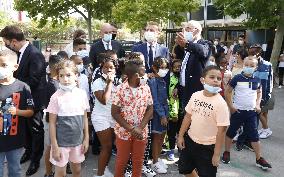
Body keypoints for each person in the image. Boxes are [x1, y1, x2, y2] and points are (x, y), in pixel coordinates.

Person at [0, 25, 46, 176]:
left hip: (33, 99)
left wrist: (12, 82)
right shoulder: (18, 52)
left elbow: (34, 79)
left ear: (13, 41)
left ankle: (35, 160)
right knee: (24, 130)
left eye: (6, 42)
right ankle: (28, 152)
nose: (6, 45)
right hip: (17, 98)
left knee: (36, 131)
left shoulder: (35, 53)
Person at [177, 65, 230, 177]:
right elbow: (187, 117)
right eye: (212, 77)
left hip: (208, 147)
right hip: (190, 141)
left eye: (219, 78)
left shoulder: (221, 104)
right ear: (202, 80)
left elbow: (221, 131)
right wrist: (181, 135)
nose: (216, 80)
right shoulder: (195, 95)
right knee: (185, 169)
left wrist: (216, 154)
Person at [221, 56, 272, 170]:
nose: (249, 67)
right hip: (238, 111)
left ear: (256, 67)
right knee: (231, 132)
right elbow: (228, 91)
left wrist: (258, 105)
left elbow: (259, 93)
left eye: (252, 66)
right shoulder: (237, 78)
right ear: (243, 65)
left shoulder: (257, 80)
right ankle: (226, 152)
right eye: (246, 65)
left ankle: (259, 159)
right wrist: (231, 106)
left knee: (254, 135)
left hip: (251, 113)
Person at [46, 60, 89, 177]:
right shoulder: (55, 97)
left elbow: (85, 118)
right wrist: (54, 146)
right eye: (61, 76)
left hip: (78, 141)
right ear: (57, 77)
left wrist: (86, 138)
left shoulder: (82, 94)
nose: (65, 79)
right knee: (60, 173)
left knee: (77, 170)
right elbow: (52, 123)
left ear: (76, 76)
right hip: (61, 143)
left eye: (68, 75)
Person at [111, 59, 153, 177]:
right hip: (123, 132)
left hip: (141, 132)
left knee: (138, 160)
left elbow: (150, 109)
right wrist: (131, 129)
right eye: (143, 72)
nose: (146, 74)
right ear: (135, 75)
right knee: (122, 161)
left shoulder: (146, 88)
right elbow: (115, 113)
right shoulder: (120, 89)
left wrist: (139, 128)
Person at [0, 50, 34, 177]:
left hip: (15, 139)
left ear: (15, 67)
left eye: (3, 65)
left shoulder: (23, 87)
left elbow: (30, 112)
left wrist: (17, 111)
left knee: (15, 169)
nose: (0, 69)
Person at [175, 20, 210, 116]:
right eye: (185, 29)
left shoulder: (204, 43)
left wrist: (187, 44)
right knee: (185, 117)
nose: (185, 31)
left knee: (195, 118)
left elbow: (203, 51)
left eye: (188, 28)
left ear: (197, 30)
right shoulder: (187, 46)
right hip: (183, 89)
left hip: (196, 90)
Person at [91, 58, 119, 177]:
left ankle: (104, 169)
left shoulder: (118, 82)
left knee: (110, 146)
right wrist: (108, 83)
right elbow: (104, 100)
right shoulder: (97, 82)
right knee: (106, 146)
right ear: (101, 69)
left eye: (111, 67)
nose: (108, 70)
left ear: (115, 69)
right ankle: (99, 174)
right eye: (105, 67)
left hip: (113, 117)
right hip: (100, 117)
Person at [147, 57, 169, 174]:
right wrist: (162, 115)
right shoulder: (153, 81)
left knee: (162, 137)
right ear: (154, 68)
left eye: (166, 68)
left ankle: (158, 158)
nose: (164, 70)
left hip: (165, 111)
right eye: (161, 68)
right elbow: (154, 100)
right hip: (157, 114)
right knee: (157, 136)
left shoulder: (162, 80)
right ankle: (154, 162)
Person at [44, 55, 62, 177]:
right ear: (56, 68)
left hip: (54, 120)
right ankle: (49, 172)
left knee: (53, 147)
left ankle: (52, 171)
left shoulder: (53, 82)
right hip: (52, 121)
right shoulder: (53, 85)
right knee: (51, 147)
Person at [167, 59, 181, 161]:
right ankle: (171, 150)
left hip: (182, 108)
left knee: (181, 131)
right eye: (175, 66)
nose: (177, 68)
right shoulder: (169, 77)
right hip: (172, 107)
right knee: (171, 132)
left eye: (179, 66)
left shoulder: (184, 78)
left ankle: (181, 150)